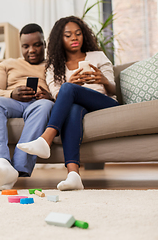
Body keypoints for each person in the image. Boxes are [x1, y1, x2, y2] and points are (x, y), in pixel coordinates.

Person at [17, 16, 119, 191]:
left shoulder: (97, 56)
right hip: (79, 107)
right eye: (68, 35)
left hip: (104, 103)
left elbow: (113, 90)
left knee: (68, 88)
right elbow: (58, 96)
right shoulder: (53, 67)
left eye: (78, 34)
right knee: (72, 107)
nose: (74, 38)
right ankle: (73, 175)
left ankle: (46, 139)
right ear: (60, 39)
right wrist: (72, 83)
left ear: (83, 35)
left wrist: (103, 80)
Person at [0, 23, 54, 191]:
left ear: (44, 44)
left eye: (37, 45)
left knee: (46, 106)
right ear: (21, 47)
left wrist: (50, 96)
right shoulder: (7, 64)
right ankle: (2, 163)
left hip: (38, 103)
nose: (32, 50)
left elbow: (61, 91)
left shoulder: (53, 65)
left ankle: (18, 168)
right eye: (26, 46)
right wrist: (11, 94)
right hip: (11, 102)